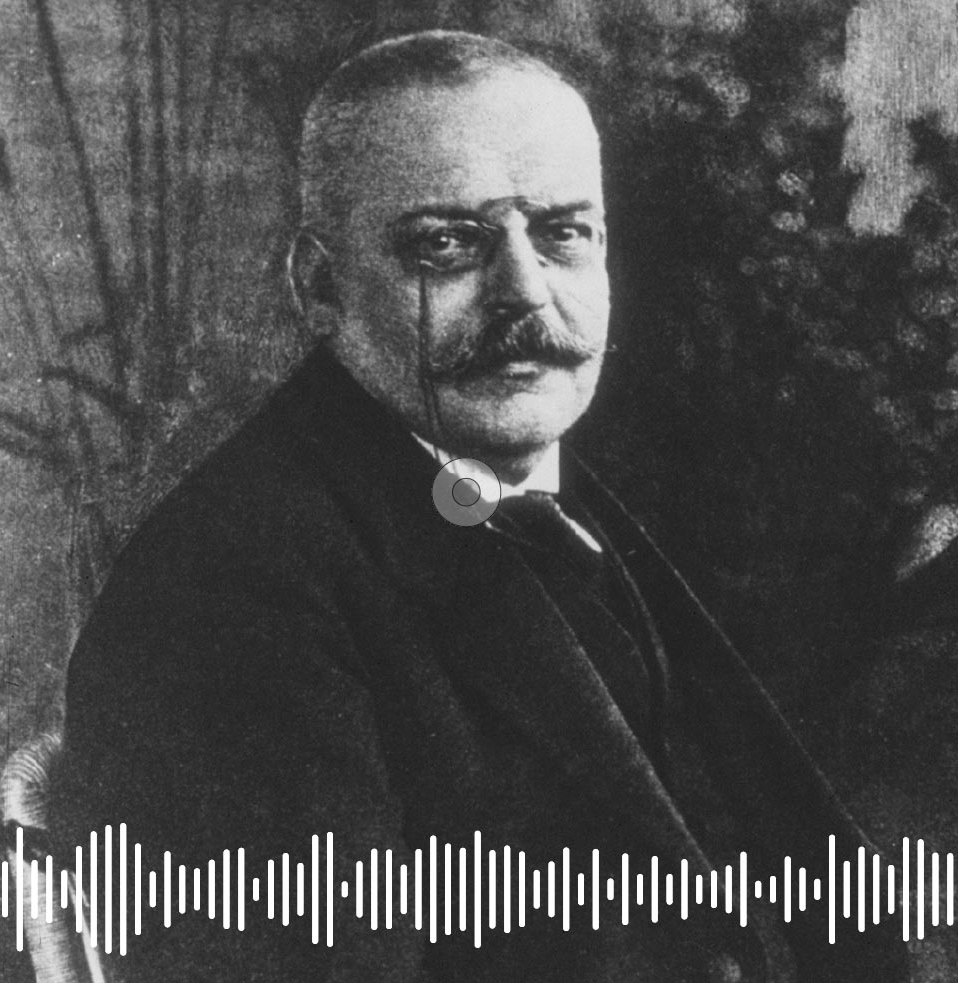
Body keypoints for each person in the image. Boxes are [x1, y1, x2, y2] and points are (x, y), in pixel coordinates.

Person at [50, 30, 909, 983]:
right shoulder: (226, 594)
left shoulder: (558, 508)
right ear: (321, 287)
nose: (524, 293)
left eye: (563, 233)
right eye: (447, 244)